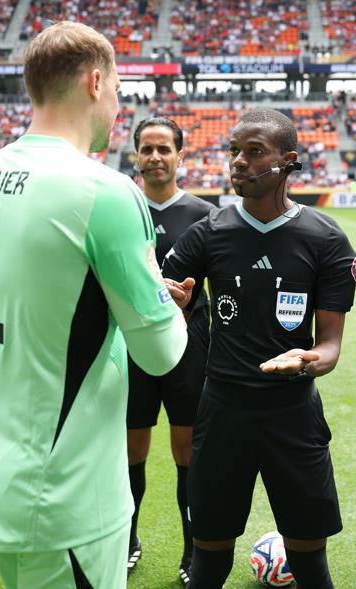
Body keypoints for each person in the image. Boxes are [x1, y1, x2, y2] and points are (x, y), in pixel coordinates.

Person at [0, 22, 187, 589]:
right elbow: (162, 354)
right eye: (117, 87)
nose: (117, 104)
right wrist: (153, 279)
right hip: (70, 501)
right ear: (93, 81)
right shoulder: (104, 192)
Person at [163, 108, 356, 589]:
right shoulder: (209, 232)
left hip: (293, 416)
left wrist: (314, 360)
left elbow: (330, 343)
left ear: (288, 161)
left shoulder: (326, 238)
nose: (238, 162)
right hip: (222, 412)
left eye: (254, 152)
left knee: (311, 565)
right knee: (208, 564)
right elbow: (162, 300)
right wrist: (173, 305)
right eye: (234, 151)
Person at [126, 116, 214, 584]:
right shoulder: (120, 208)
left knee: (187, 450)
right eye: (147, 149)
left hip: (189, 344)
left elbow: (222, 289)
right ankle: (128, 539)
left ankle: (191, 549)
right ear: (135, 155)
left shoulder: (204, 214)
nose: (155, 157)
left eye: (165, 149)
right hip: (129, 345)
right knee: (131, 447)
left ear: (181, 156)